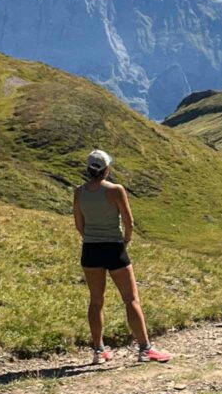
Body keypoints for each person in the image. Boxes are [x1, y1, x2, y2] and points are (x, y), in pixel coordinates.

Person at [73, 148, 171, 365]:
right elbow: (129, 221)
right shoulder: (116, 190)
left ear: (88, 169)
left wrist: (90, 237)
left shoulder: (79, 192)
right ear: (106, 169)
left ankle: (99, 351)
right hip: (114, 248)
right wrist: (125, 240)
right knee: (130, 299)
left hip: (90, 249)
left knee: (96, 301)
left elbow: (79, 223)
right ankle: (145, 349)